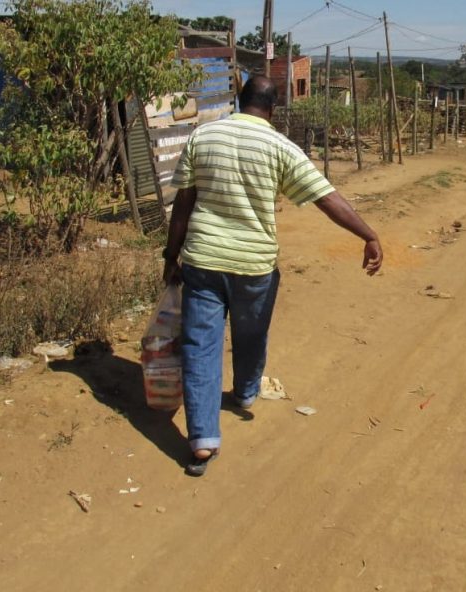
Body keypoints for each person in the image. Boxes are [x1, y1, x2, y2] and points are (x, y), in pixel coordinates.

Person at [162, 75, 383, 477]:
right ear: (273, 109)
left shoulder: (203, 136)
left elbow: (184, 203)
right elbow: (325, 197)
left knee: (200, 347)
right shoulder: (281, 147)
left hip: (203, 261)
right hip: (254, 266)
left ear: (237, 100)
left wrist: (170, 254)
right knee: (250, 334)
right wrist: (367, 234)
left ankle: (202, 442)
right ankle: (245, 393)